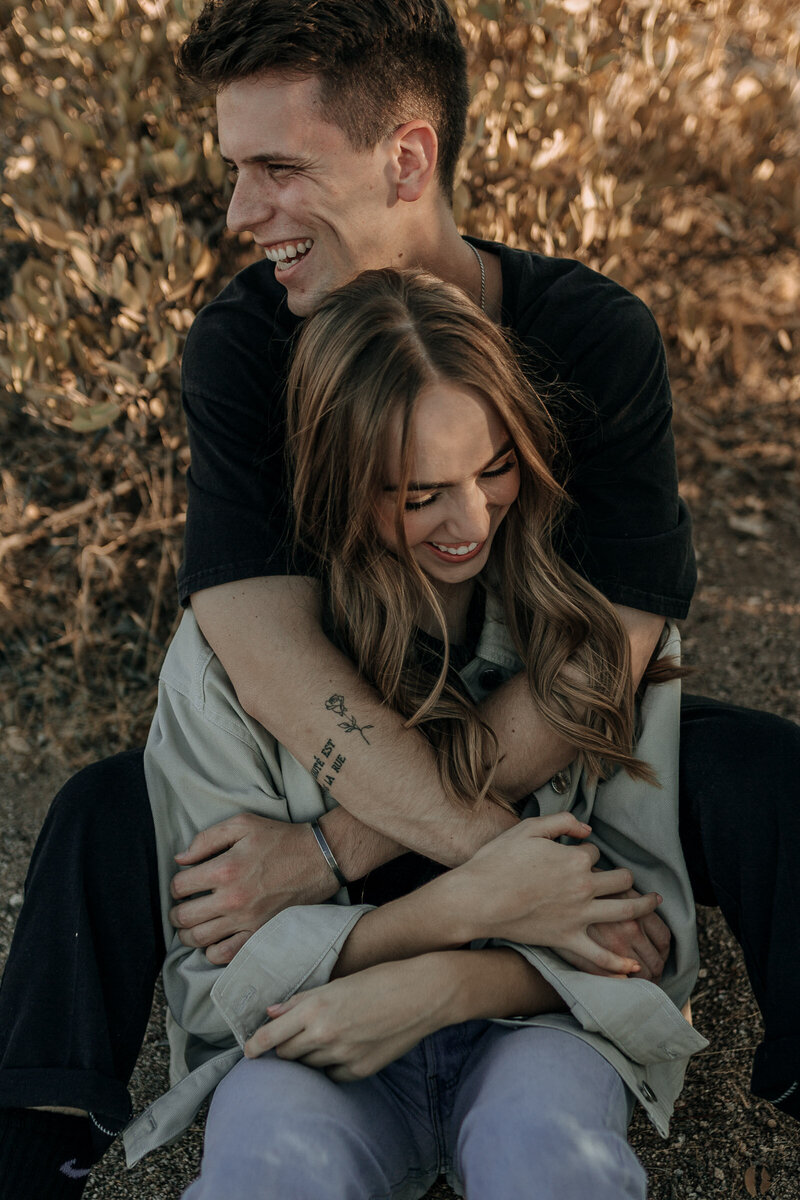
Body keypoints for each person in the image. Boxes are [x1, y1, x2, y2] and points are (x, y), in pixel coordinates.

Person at [0, 2, 797, 1196]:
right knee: (105, 817)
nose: (237, 215)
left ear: (407, 159)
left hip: (540, 721)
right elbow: (257, 648)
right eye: (234, 171)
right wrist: (494, 869)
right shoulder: (244, 345)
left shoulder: (590, 335)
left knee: (764, 782)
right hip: (327, 733)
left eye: (276, 170)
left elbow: (606, 656)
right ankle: (29, 1155)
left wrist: (330, 856)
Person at [127, 267, 705, 1198]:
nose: (470, 521)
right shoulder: (229, 666)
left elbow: (642, 944)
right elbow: (217, 989)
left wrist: (448, 984)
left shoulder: (589, 638)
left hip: (538, 1030)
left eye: (494, 468)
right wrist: (458, 912)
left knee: (554, 1162)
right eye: (419, 492)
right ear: (341, 483)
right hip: (307, 1048)